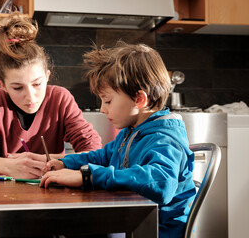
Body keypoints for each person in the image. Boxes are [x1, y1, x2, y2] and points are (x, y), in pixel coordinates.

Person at [40, 42, 196, 238]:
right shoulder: (132, 130)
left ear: (139, 99)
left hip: (155, 230)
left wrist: (87, 177)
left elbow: (161, 183)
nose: (103, 109)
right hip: (133, 220)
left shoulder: (164, 138)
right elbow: (104, 156)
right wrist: (65, 163)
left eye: (108, 101)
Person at [0, 12, 102, 179]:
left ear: (47, 76)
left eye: (37, 84)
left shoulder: (61, 99)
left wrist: (52, 160)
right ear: (3, 86)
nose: (30, 97)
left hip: (52, 193)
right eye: (17, 88)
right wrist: (9, 166)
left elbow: (93, 150)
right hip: (3, 193)